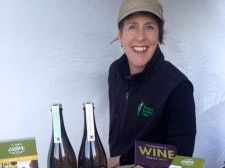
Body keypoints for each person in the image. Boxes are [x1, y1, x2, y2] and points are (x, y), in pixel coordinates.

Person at [107, 0, 196, 167]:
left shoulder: (178, 87)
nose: (140, 37)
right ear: (120, 35)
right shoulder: (115, 73)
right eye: (132, 27)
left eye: (149, 27)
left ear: (158, 36)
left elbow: (183, 160)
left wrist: (121, 160)